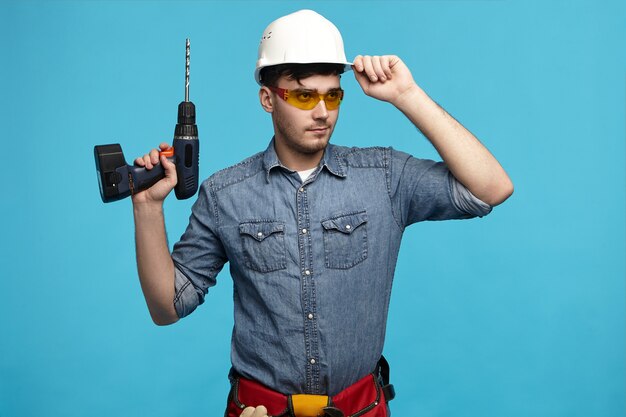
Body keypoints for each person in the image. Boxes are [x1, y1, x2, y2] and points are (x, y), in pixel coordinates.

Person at [131, 9, 513, 417]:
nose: (322, 112)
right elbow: (166, 307)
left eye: (332, 95)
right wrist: (148, 206)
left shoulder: (384, 177)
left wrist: (407, 95)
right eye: (303, 95)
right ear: (267, 98)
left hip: (362, 409)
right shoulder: (226, 194)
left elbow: (491, 188)